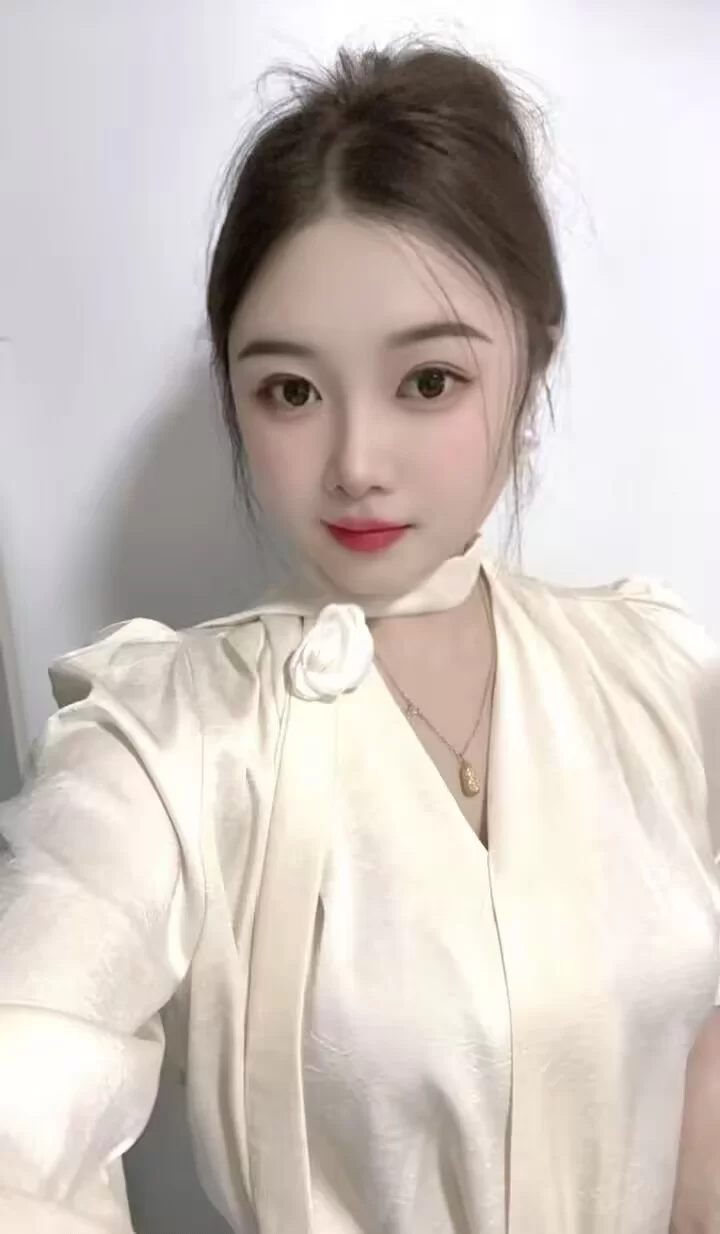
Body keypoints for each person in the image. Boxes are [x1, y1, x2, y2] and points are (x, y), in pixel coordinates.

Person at [0, 38, 718, 1234]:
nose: (356, 464)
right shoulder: (166, 740)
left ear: (532, 362)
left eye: (428, 380)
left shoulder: (661, 674)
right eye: (290, 390)